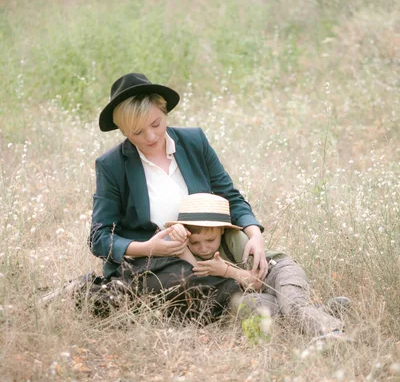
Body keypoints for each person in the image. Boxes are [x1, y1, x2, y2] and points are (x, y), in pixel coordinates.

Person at [89, 72, 267, 322]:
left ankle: (281, 303)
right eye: (137, 132)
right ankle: (250, 300)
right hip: (154, 265)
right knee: (185, 280)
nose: (151, 137)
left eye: (156, 124)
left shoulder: (194, 141)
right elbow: (99, 237)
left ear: (164, 111)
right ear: (123, 130)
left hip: (210, 247)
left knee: (272, 264)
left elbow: (231, 197)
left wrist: (255, 235)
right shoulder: (112, 165)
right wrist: (147, 248)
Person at [166, 193, 347, 339]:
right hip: (256, 294)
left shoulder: (235, 240)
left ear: (222, 230)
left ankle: (332, 332)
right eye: (195, 243)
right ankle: (322, 311)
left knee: (291, 305)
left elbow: (259, 283)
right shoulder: (190, 250)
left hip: (277, 272)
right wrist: (180, 242)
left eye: (210, 240)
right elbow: (197, 272)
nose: (203, 248)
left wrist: (226, 271)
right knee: (251, 308)